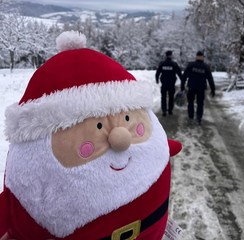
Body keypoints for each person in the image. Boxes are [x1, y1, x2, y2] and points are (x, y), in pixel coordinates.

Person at [0, 31, 182, 239]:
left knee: (167, 100)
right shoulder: (173, 65)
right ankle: (168, 109)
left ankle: (167, 108)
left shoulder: (166, 66)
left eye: (127, 120)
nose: (120, 140)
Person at [181, 50, 215, 125]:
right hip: (201, 88)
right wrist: (213, 89)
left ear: (196, 57)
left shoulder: (191, 65)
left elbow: (184, 77)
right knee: (200, 103)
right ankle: (198, 118)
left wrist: (182, 87)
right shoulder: (205, 67)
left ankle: (191, 117)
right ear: (203, 57)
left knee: (190, 102)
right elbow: (210, 79)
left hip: (191, 87)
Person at [155, 50, 183, 117]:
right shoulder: (174, 64)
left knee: (163, 97)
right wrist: (183, 81)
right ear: (171, 55)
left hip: (164, 84)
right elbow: (179, 73)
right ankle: (170, 110)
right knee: (171, 97)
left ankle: (164, 110)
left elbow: (158, 72)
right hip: (171, 84)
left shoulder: (162, 63)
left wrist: (157, 80)